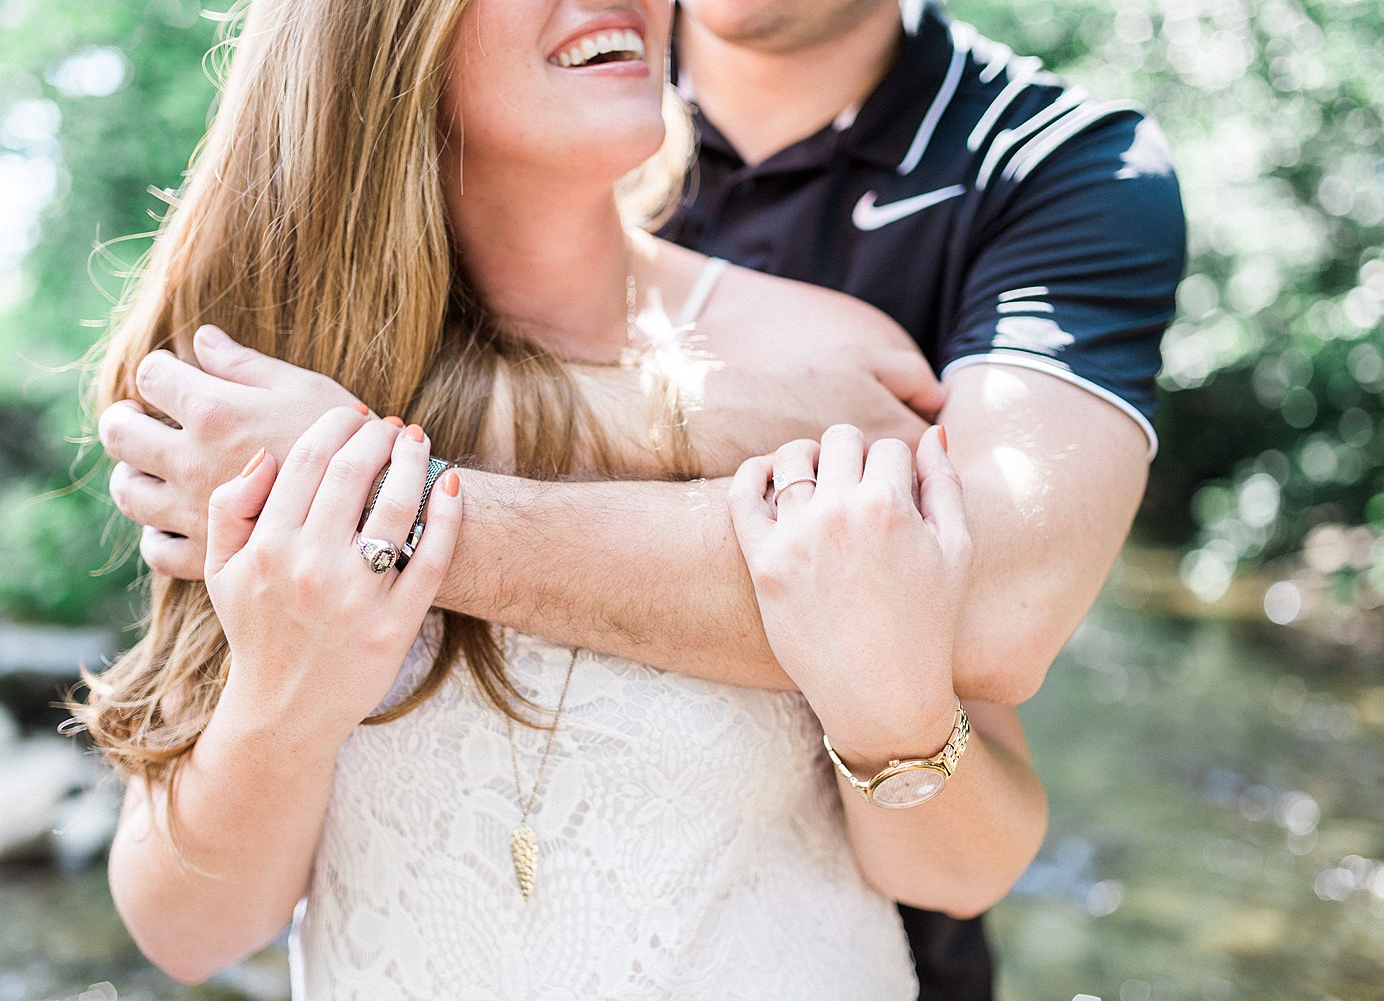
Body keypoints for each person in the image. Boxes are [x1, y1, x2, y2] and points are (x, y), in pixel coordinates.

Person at [100, 0, 1185, 994]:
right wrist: (279, 716)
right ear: (377, 31)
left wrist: (381, 487)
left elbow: (972, 814)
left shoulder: (832, 370)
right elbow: (186, 930)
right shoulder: (258, 390)